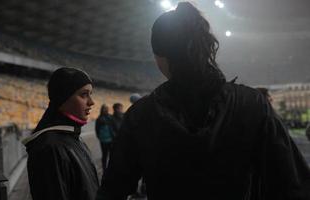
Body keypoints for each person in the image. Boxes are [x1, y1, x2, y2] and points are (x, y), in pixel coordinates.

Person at [96, 2, 310, 200]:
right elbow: (291, 184)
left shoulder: (140, 115)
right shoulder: (253, 104)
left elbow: (113, 189)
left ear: (159, 57)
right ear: (205, 47)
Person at [23, 67, 98, 200]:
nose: (91, 102)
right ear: (63, 98)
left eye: (90, 94)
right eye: (84, 94)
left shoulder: (71, 137)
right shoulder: (49, 148)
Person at [95, 104, 114, 172]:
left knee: (112, 154)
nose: (106, 110)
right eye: (104, 109)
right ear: (102, 110)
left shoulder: (110, 117)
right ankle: (104, 168)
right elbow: (97, 129)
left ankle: (111, 167)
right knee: (105, 154)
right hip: (103, 140)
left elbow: (114, 127)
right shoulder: (99, 119)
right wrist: (99, 137)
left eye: (106, 108)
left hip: (111, 139)